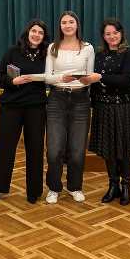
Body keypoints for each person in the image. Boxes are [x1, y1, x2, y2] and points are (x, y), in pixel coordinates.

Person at [0, 19, 50, 204]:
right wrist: (12, 81)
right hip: (11, 106)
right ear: (27, 32)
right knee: (4, 147)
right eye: (34, 31)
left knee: (35, 149)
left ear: (44, 37)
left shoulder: (47, 55)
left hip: (36, 108)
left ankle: (34, 192)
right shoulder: (13, 52)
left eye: (40, 32)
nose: (36, 35)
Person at [86, 18, 130, 205]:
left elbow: (126, 80)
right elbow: (94, 82)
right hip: (103, 107)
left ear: (121, 33)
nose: (112, 36)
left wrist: (101, 77)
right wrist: (93, 100)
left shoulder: (129, 53)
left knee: (125, 149)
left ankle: (126, 186)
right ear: (103, 36)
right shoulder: (99, 54)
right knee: (108, 149)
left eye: (115, 33)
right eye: (108, 34)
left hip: (123, 107)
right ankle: (113, 185)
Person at [44, 11, 94, 204]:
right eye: (64, 22)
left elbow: (89, 76)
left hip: (81, 100)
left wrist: (88, 79)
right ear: (60, 26)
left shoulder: (88, 48)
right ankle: (54, 188)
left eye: (71, 22)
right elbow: (48, 77)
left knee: (77, 149)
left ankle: (75, 187)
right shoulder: (52, 47)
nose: (67, 25)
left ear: (77, 25)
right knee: (54, 149)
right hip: (56, 99)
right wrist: (61, 78)